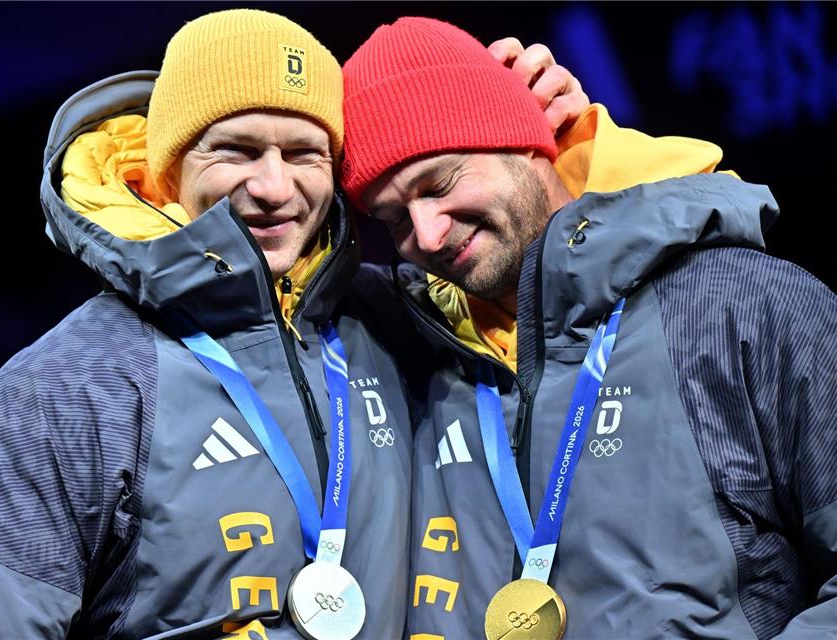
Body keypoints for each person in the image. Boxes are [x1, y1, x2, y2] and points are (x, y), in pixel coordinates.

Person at [0, 9, 588, 640]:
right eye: (235, 150)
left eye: (303, 153)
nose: (273, 187)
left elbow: (567, 300)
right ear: (166, 167)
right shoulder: (65, 388)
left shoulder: (397, 322)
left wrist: (573, 152)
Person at [341, 17, 837, 640]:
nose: (427, 236)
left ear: (522, 141)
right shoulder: (407, 346)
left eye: (439, 184)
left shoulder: (747, 304)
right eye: (393, 219)